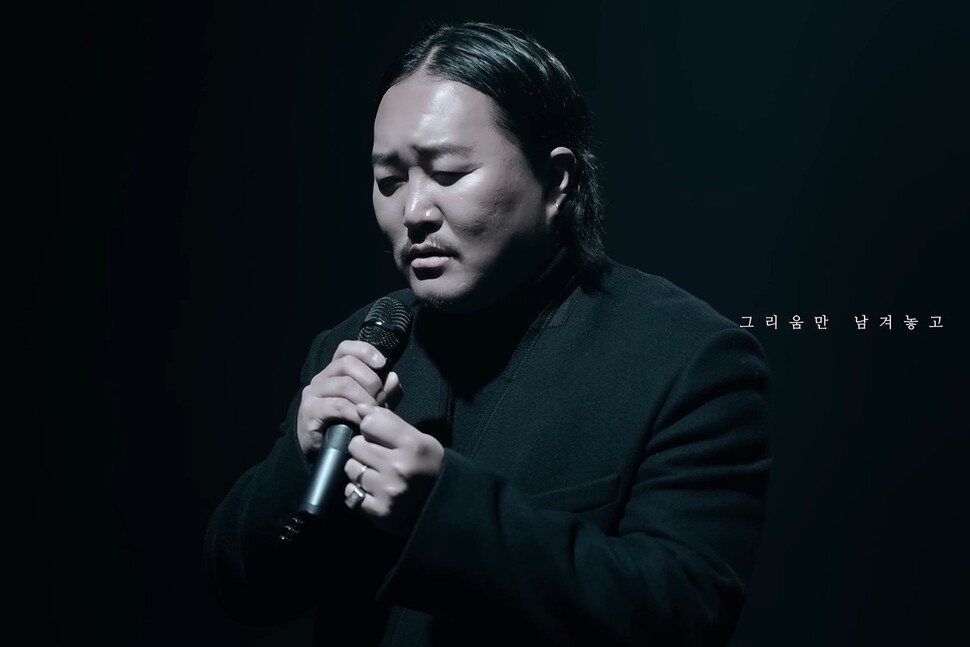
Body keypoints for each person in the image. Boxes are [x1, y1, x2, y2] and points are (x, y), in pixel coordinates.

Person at [205, 21, 772, 647]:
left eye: (448, 173)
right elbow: (244, 590)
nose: (414, 212)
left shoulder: (688, 357)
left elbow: (683, 614)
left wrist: (445, 513)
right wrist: (298, 457)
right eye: (390, 182)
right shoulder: (356, 347)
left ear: (556, 181)